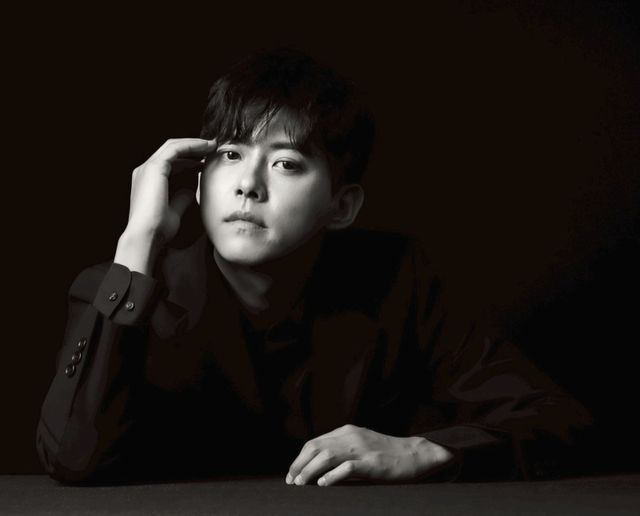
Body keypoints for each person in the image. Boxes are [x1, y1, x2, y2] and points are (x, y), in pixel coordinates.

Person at [36, 46, 593, 486]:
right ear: (200, 183)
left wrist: (422, 450)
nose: (248, 185)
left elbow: (558, 421)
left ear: (341, 206)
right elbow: (72, 458)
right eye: (229, 154)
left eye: (286, 163)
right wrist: (137, 242)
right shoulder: (133, 288)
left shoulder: (400, 279)